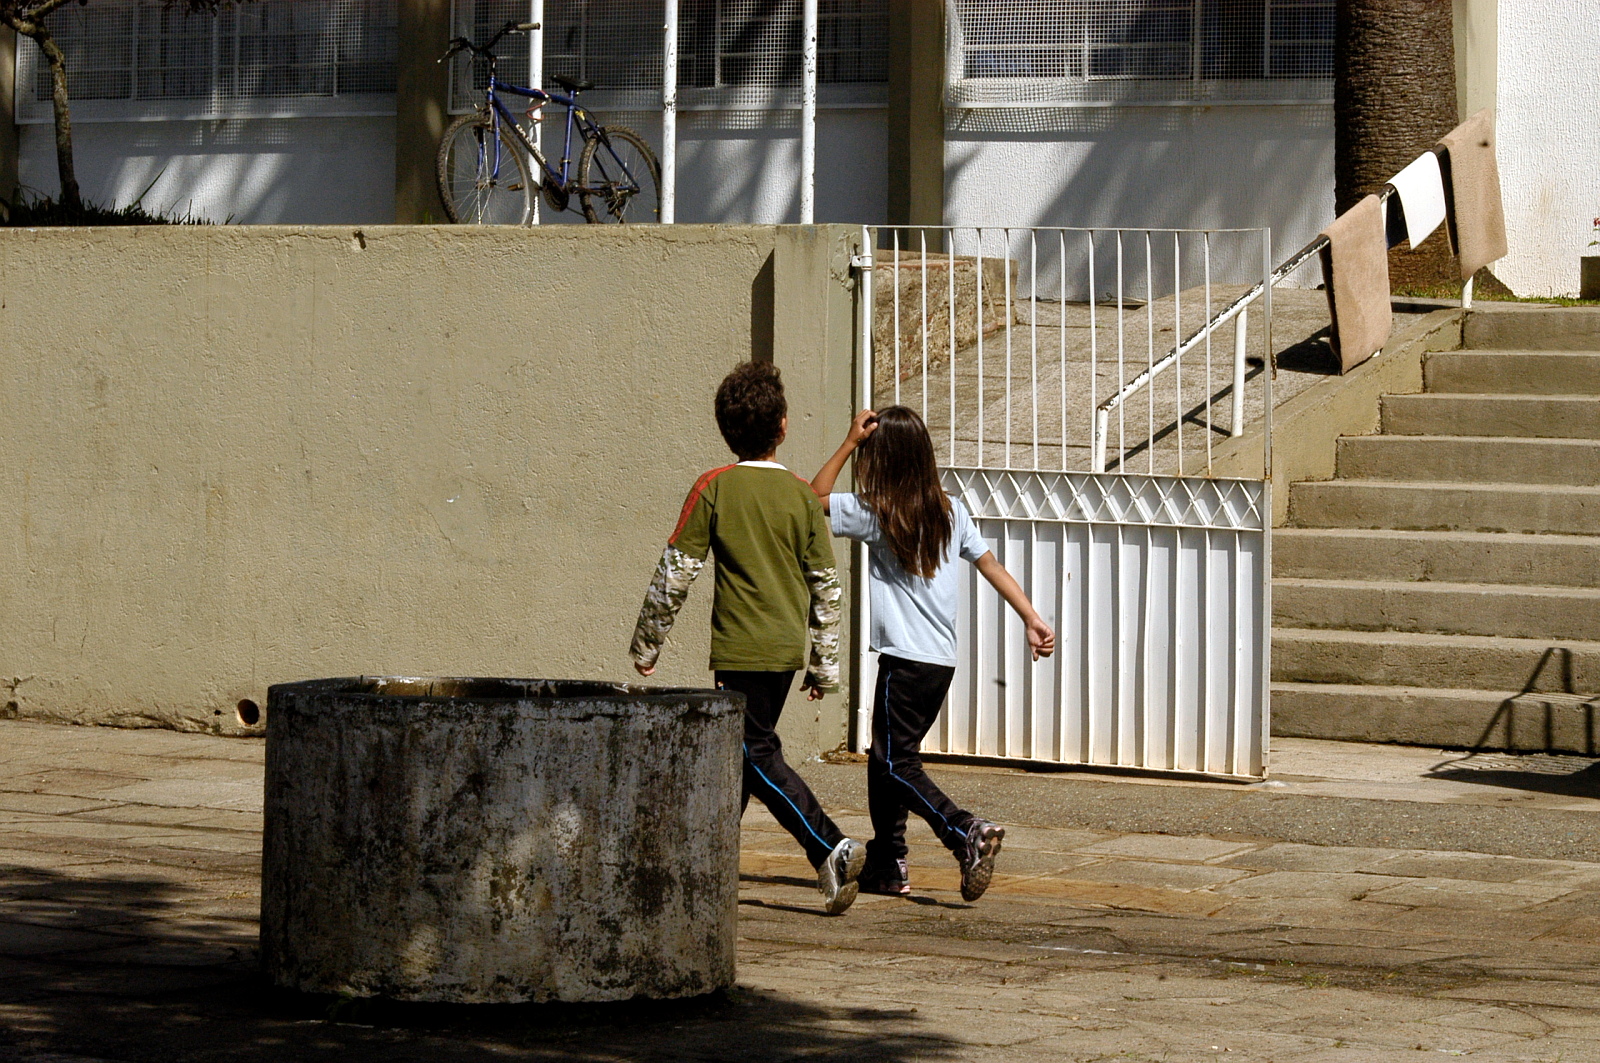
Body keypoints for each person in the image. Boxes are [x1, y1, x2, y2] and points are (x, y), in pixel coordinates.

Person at [629, 361, 866, 915]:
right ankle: (699, 867)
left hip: (739, 649)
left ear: (725, 428)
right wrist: (823, 663)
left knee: (751, 751)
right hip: (784, 652)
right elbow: (827, 586)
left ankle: (828, 846)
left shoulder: (714, 488)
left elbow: (675, 572)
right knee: (738, 759)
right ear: (783, 426)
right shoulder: (803, 496)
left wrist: (647, 644)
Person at [812, 406, 1055, 902]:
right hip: (940, 663)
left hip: (903, 661)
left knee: (896, 764)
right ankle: (889, 864)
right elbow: (990, 565)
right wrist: (1031, 616)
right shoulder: (950, 509)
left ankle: (964, 831)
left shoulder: (878, 511)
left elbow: (812, 496)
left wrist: (848, 442)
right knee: (887, 763)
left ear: (882, 458)